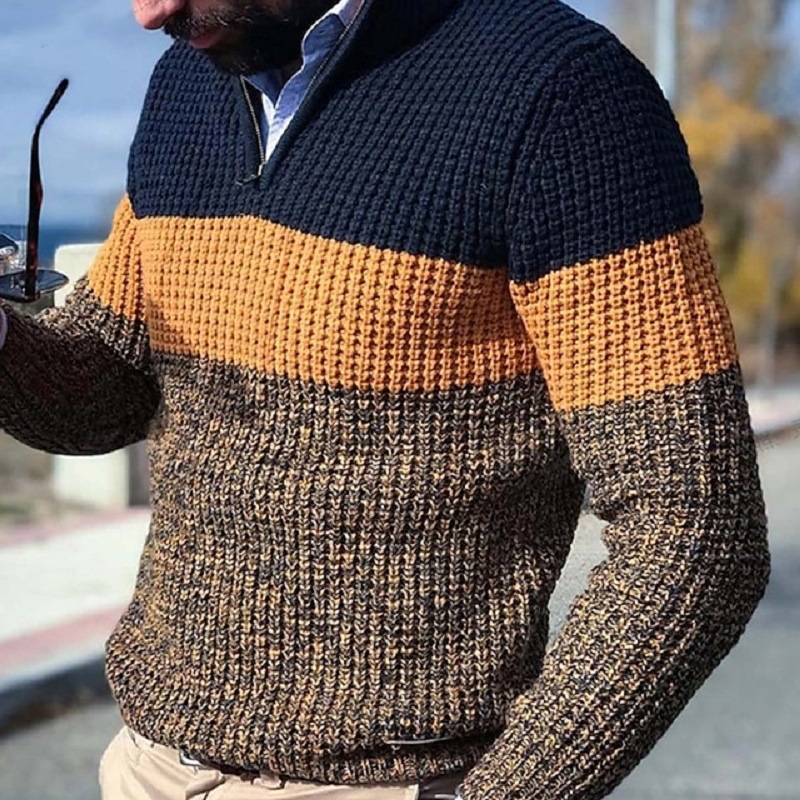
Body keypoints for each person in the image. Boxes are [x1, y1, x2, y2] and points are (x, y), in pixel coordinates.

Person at [0, 0, 771, 798]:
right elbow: (103, 390)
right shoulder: (188, 81)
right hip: (150, 769)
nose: (149, 12)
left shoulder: (560, 89)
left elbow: (696, 524)